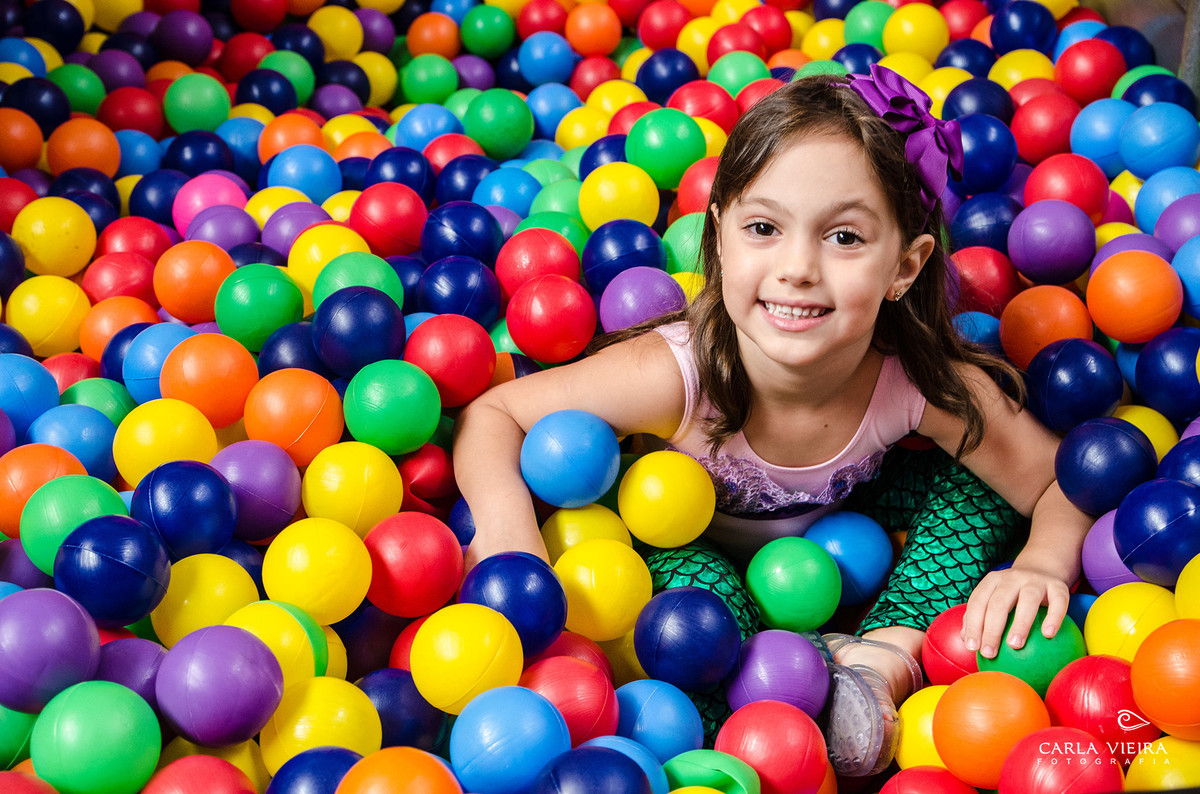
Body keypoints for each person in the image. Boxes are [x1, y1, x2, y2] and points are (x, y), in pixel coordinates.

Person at [453, 65, 1094, 776]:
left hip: (849, 524)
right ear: (720, 237)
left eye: (844, 237)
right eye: (763, 228)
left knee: (977, 490)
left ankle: (887, 652)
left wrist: (1041, 564)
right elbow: (495, 411)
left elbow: (1059, 482)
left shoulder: (913, 379)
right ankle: (766, 703)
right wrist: (511, 542)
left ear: (905, 268)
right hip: (686, 550)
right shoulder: (674, 375)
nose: (797, 268)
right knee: (697, 613)